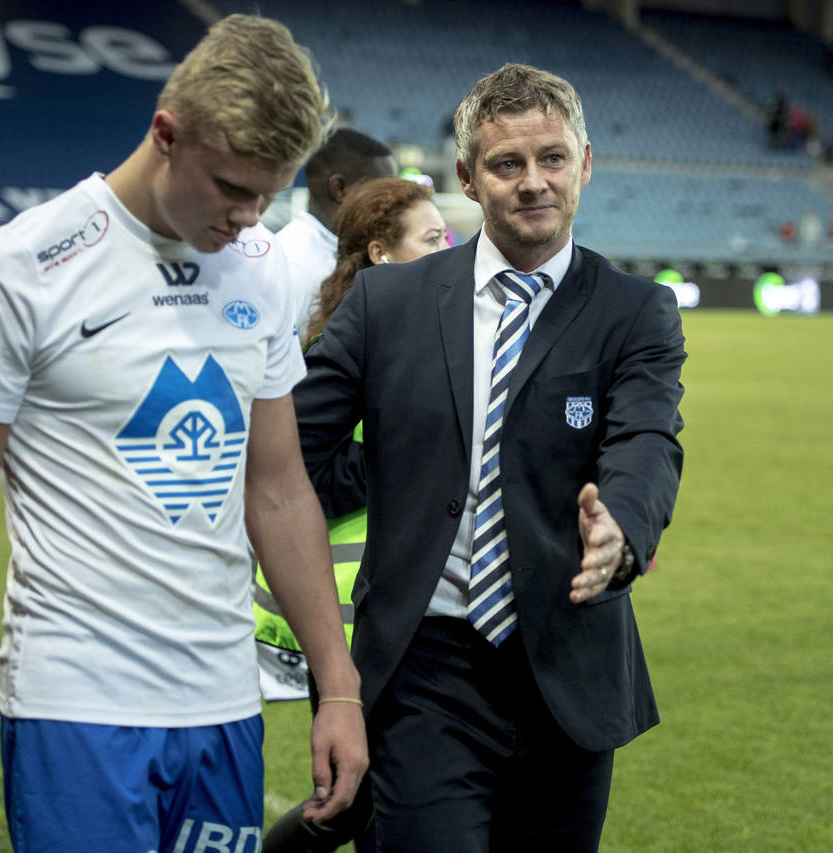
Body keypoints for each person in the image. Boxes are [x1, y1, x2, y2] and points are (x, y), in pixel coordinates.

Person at [0, 15, 365, 853]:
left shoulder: (259, 267)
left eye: (269, 192)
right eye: (231, 187)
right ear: (165, 134)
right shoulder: (17, 270)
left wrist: (337, 687)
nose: (248, 215)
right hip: (75, 707)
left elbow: (278, 488)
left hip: (223, 705)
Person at [294, 63, 687, 852]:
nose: (533, 182)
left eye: (552, 158)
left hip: (569, 664)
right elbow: (295, 453)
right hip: (423, 667)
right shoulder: (388, 302)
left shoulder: (636, 310)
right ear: (468, 179)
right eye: (507, 164)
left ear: (586, 162)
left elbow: (646, 439)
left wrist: (623, 527)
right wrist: (394, 469)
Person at [258, 176, 448, 853]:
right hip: (349, 611)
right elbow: (292, 475)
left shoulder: (442, 330)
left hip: (411, 604)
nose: (448, 248)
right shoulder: (348, 338)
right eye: (431, 239)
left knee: (368, 799)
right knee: (355, 798)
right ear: (380, 254)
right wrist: (398, 455)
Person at [276, 128, 397, 345]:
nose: (395, 203)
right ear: (340, 188)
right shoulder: (292, 265)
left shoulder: (346, 251)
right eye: (383, 191)